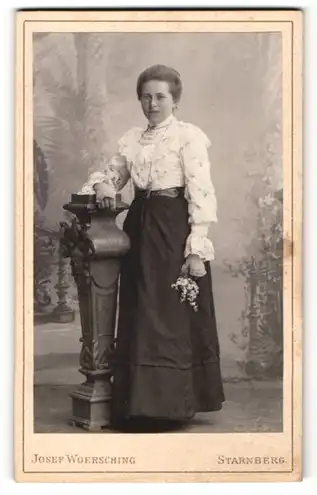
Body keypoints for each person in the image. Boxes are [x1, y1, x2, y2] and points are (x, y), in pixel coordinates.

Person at [80, 64, 225, 429]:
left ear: (174, 100)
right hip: (139, 228)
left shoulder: (188, 137)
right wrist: (103, 185)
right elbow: (113, 174)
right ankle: (139, 404)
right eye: (146, 96)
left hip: (172, 227)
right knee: (140, 308)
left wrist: (196, 247)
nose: (152, 103)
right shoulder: (133, 140)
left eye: (160, 96)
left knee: (167, 313)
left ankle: (171, 405)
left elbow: (201, 192)